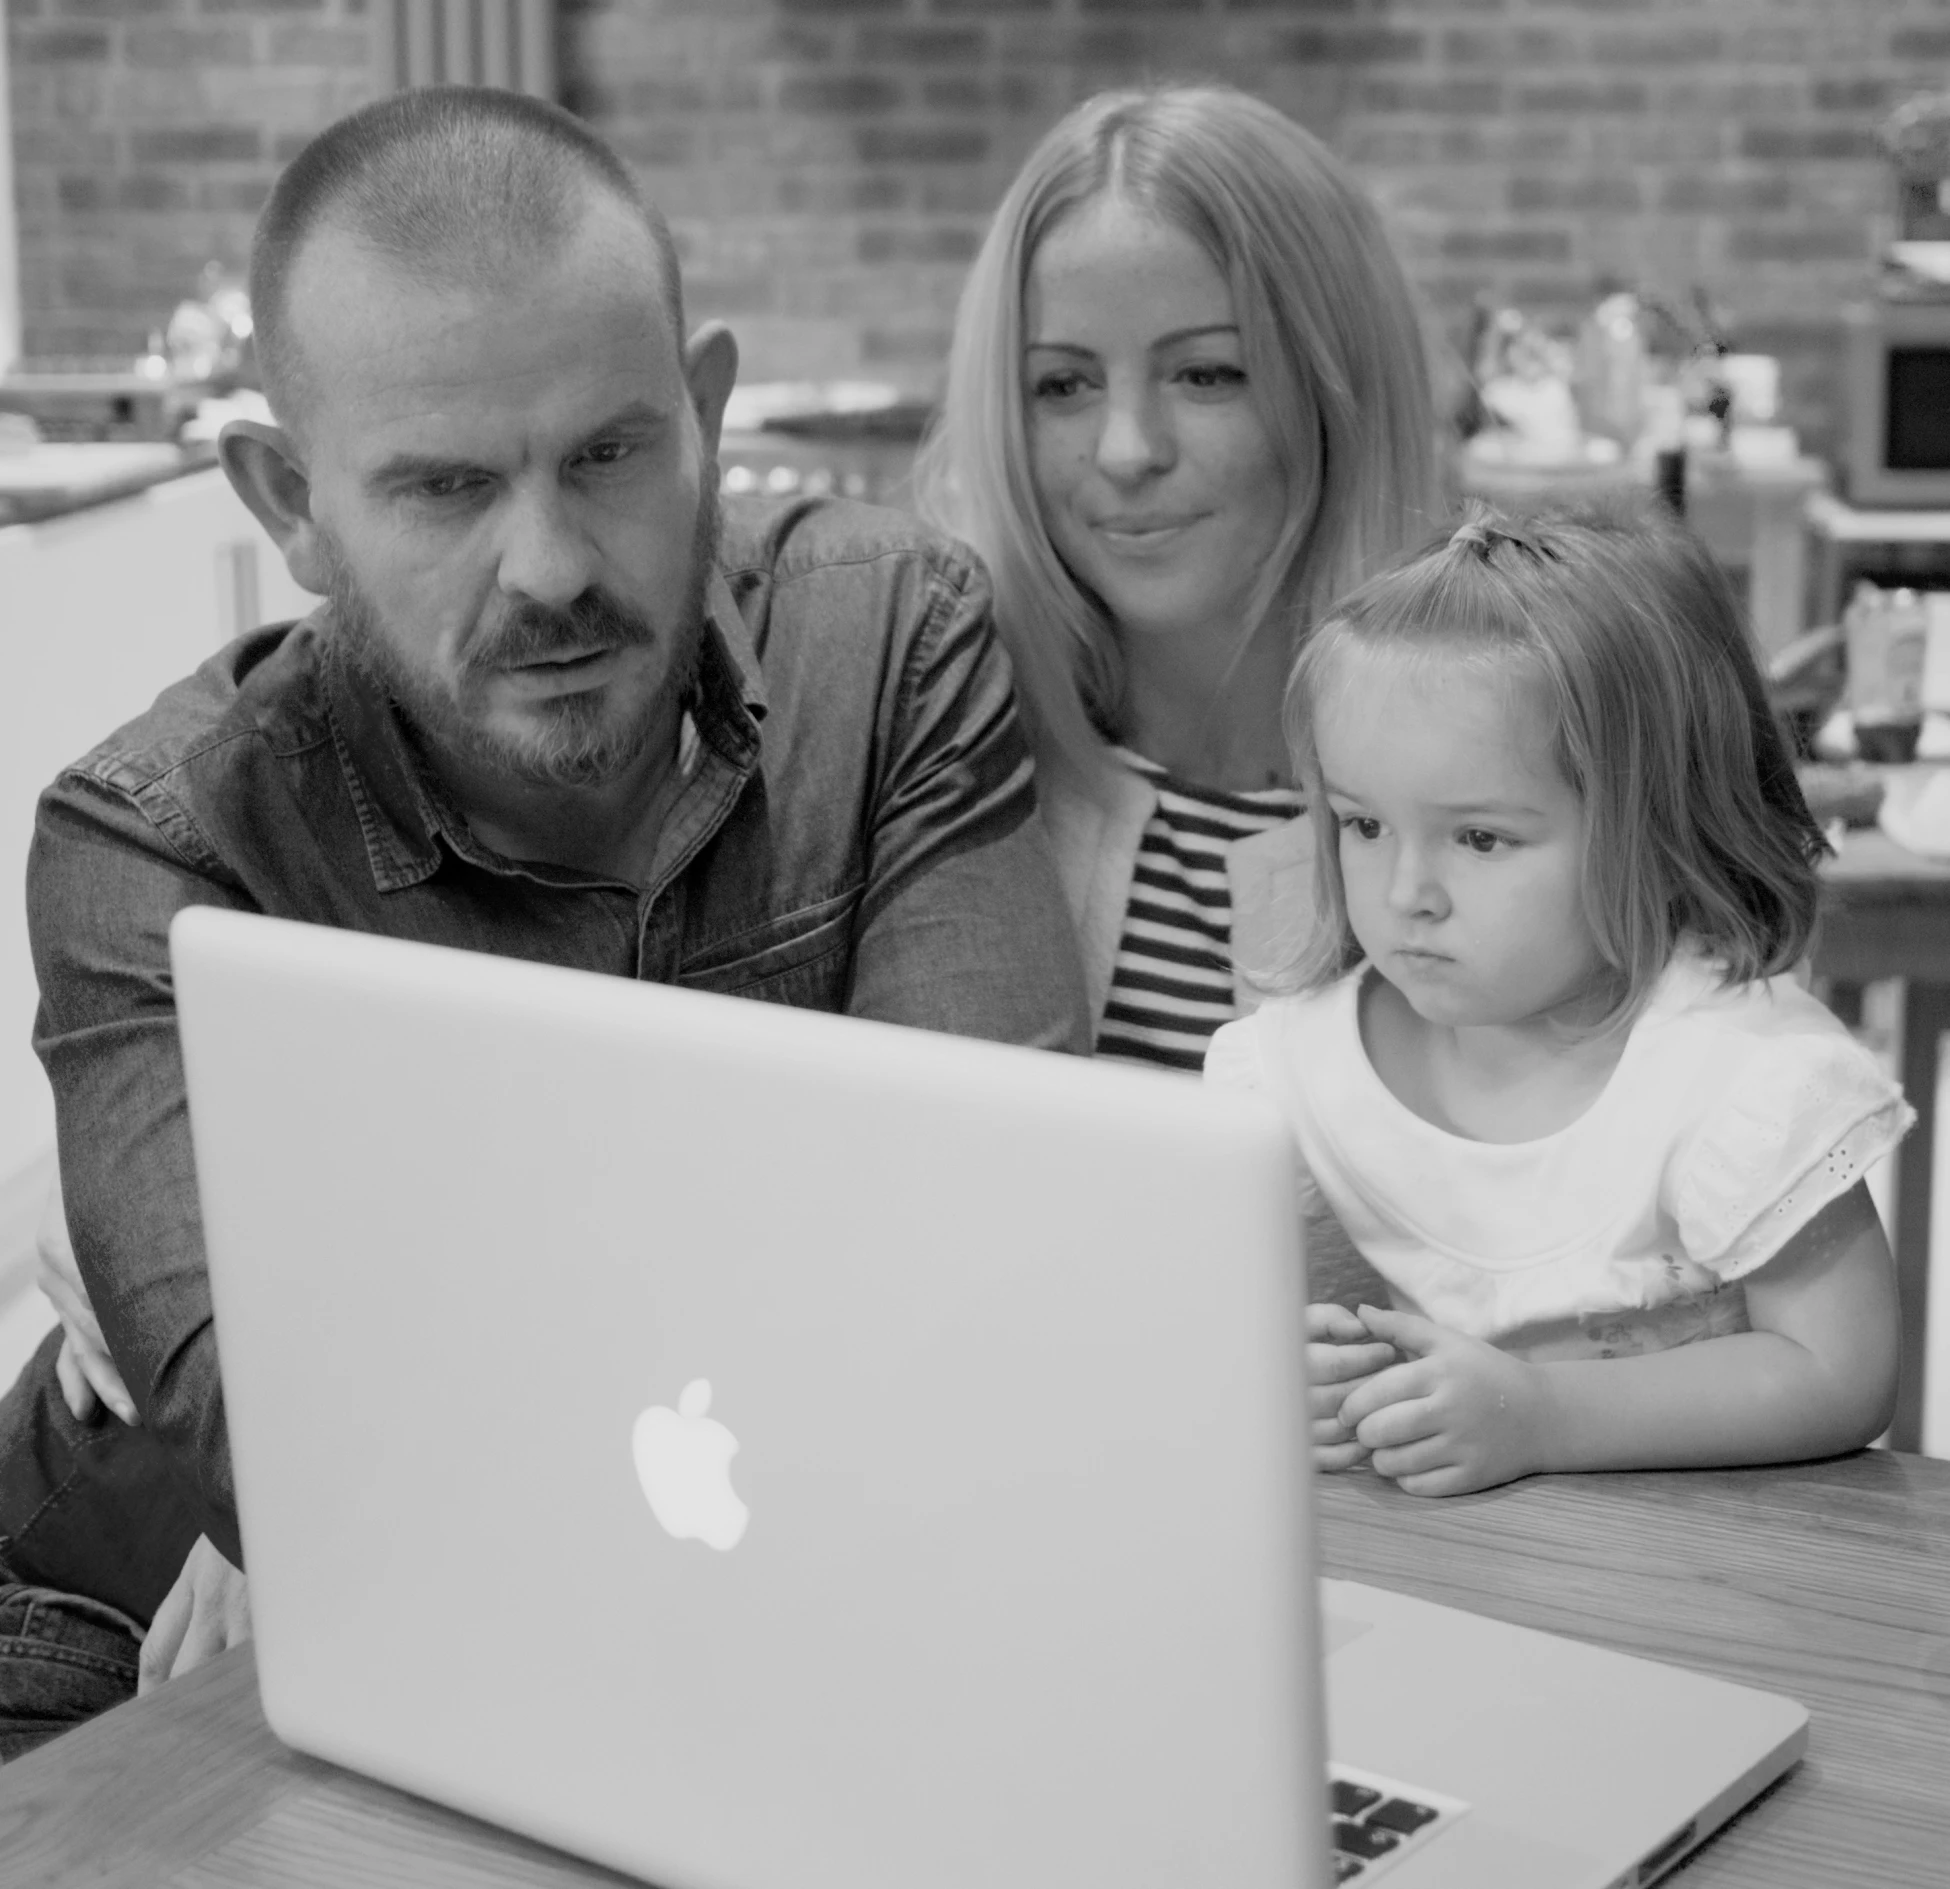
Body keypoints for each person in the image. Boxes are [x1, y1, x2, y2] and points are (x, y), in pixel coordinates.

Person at [0, 85, 1088, 1757]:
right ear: (290, 502)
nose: (554, 564)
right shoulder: (151, 838)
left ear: (704, 411)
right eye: (443, 488)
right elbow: (293, 1449)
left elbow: (983, 1241)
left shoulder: (889, 639)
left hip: (720, 1599)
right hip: (114, 1624)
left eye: (607, 453)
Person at [1206, 501, 1910, 1497]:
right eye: (1363, 824)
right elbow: (1213, 1337)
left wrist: (1541, 1417)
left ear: (1666, 827)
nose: (1408, 891)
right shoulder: (1285, 1075)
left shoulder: (1741, 1082)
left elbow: (1842, 1373)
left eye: (1481, 837)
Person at [915, 84, 1439, 1079]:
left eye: (1206, 374)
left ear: (1341, 391)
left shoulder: (1515, 765)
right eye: (1061, 385)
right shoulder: (948, 760)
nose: (1127, 450)